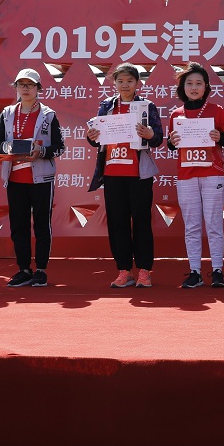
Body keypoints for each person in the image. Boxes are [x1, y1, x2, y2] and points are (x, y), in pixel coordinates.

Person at [85, 64, 165, 289]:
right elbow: (97, 139)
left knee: (141, 222)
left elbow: (158, 138)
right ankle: (124, 270)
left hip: (139, 174)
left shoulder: (146, 106)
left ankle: (144, 271)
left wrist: (149, 134)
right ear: (114, 83)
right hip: (112, 172)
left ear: (138, 83)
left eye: (130, 80)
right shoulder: (106, 106)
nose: (125, 85)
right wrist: (92, 135)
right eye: (120, 81)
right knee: (117, 222)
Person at [165, 62, 224, 289]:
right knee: (192, 226)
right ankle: (195, 271)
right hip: (186, 175)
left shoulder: (216, 110)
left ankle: (217, 270)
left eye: (199, 83)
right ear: (183, 87)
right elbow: (171, 145)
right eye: (190, 83)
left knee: (214, 224)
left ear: (206, 87)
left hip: (212, 174)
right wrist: (172, 141)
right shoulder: (176, 114)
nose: (194, 87)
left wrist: (218, 137)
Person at [0, 68, 65, 287]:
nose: (25, 88)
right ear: (16, 87)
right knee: (18, 226)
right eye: (21, 84)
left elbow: (60, 147)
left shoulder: (48, 115)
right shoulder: (7, 114)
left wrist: (40, 152)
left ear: (38, 88)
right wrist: (11, 149)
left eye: (30, 85)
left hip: (41, 179)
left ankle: (41, 269)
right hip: (15, 178)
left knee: (42, 225)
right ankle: (23, 269)